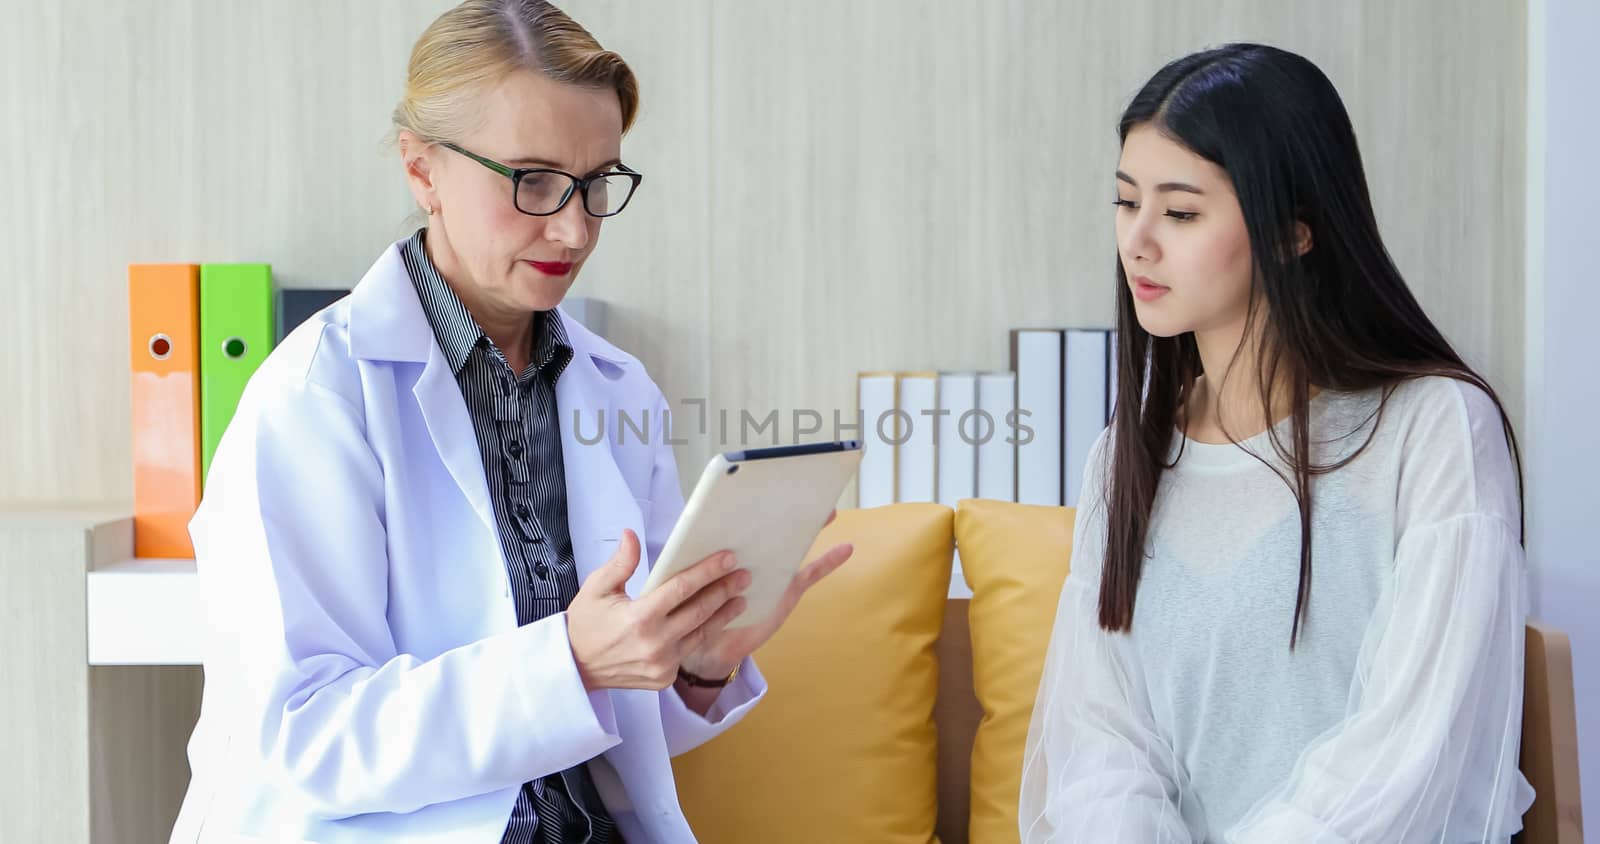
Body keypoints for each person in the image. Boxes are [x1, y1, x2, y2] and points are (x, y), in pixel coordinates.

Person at [169, 2, 852, 841]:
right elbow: (305, 735)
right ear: (423, 172)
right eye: (532, 181)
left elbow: (623, 740)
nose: (574, 227)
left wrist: (698, 668)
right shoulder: (316, 396)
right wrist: (569, 660)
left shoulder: (618, 388)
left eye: (598, 182)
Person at [1018, 43, 1532, 843]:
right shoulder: (1127, 460)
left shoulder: (1435, 430)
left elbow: (1409, 758)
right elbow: (1101, 749)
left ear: (1295, 233)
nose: (1138, 242)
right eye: (1125, 202)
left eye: (1181, 212)